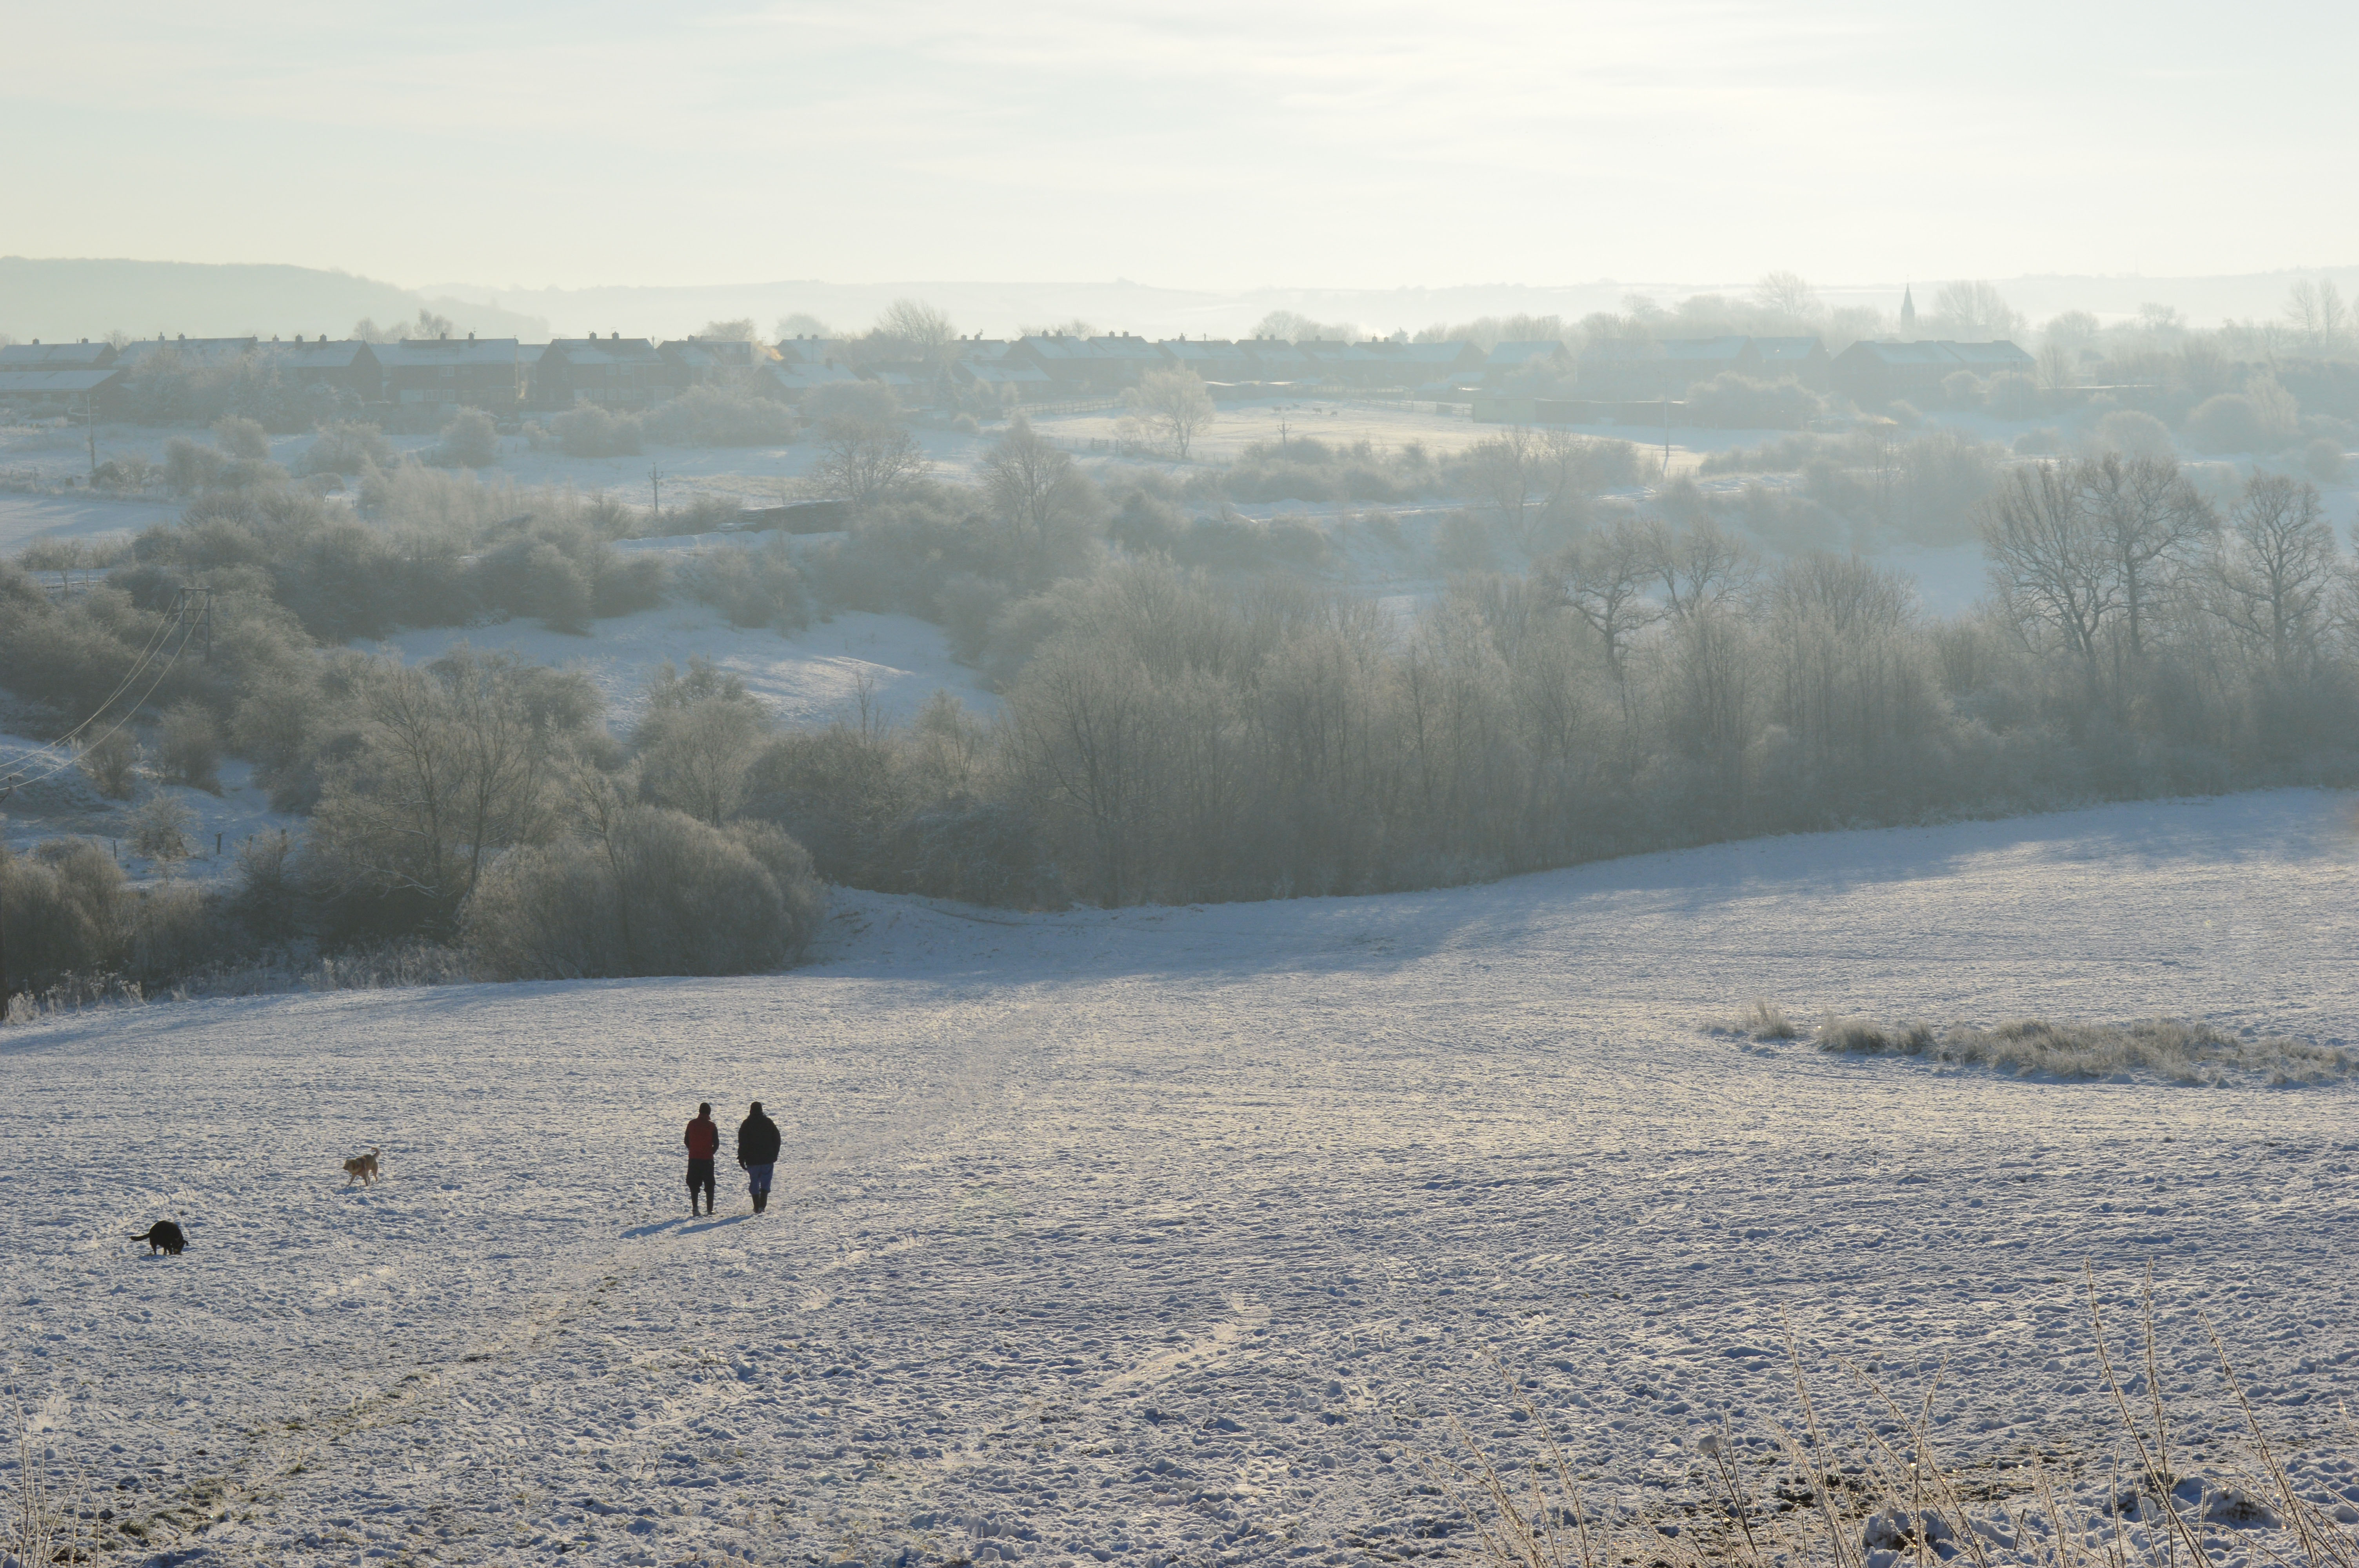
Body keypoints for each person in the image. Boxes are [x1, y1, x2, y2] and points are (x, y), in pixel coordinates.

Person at [736, 1099, 781, 1214]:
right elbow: (777, 1139)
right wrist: (775, 1155)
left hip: (752, 1160)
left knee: (754, 1182)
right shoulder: (768, 1122)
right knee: (766, 1182)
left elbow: (742, 1142)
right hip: (767, 1159)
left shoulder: (746, 1124)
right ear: (761, 1110)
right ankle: (762, 1207)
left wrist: (741, 1158)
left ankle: (757, 1207)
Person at [683, 1102, 718, 1216]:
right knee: (710, 1184)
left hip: (694, 1159)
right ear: (709, 1112)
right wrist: (710, 1152)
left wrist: (693, 1149)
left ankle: (695, 1208)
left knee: (694, 1184)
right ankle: (710, 1209)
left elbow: (686, 1141)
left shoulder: (691, 1124)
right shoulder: (712, 1126)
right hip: (707, 1159)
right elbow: (717, 1144)